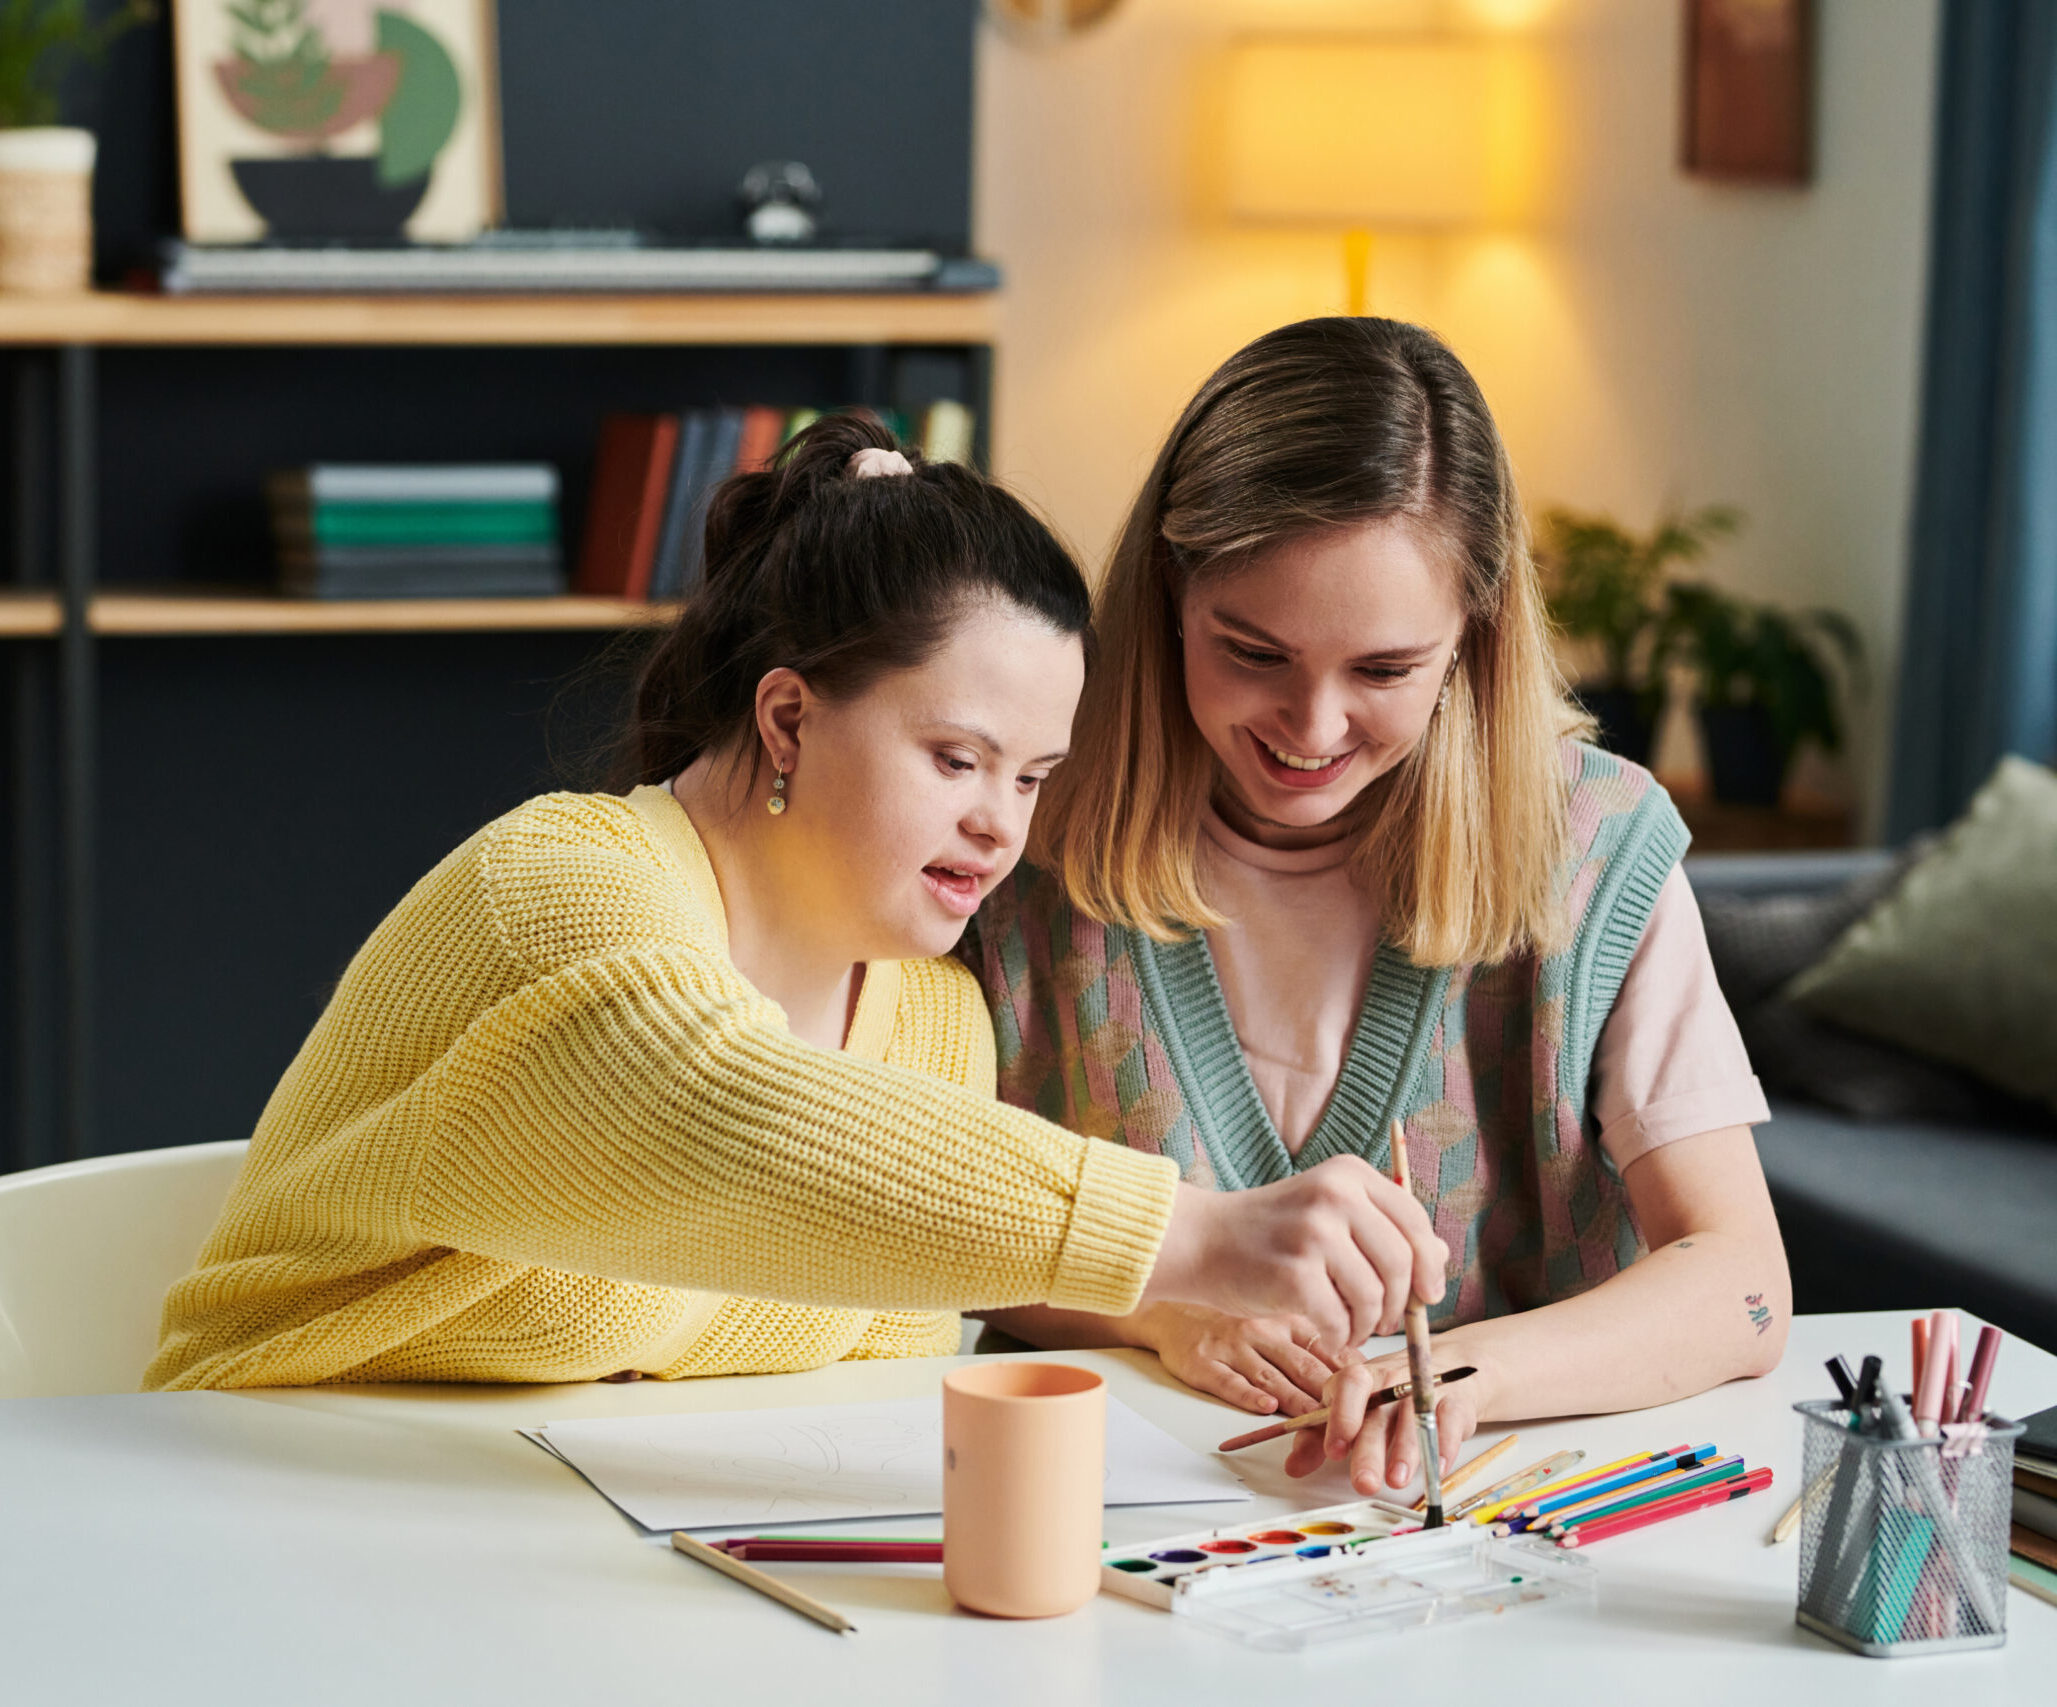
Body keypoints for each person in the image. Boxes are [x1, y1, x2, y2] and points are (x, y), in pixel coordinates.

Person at [146, 414, 1447, 1392]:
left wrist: (1161, 1315)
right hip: (243, 1508)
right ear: (787, 714)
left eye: (1034, 774)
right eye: (956, 758)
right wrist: (1187, 1235)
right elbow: (710, 1110)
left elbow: (864, 1381)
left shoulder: (935, 1026)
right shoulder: (561, 889)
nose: (1003, 821)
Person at [964, 319, 1791, 1496]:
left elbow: (1742, 1286)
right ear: (1166, 592)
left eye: (1384, 672)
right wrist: (1156, 1315)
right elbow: (906, 1215)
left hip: (1494, 1535)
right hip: (1105, 1520)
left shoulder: (1594, 846)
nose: (1309, 730)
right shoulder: (1016, 825)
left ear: (1472, 638)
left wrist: (1462, 1378)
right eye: (1250, 652)